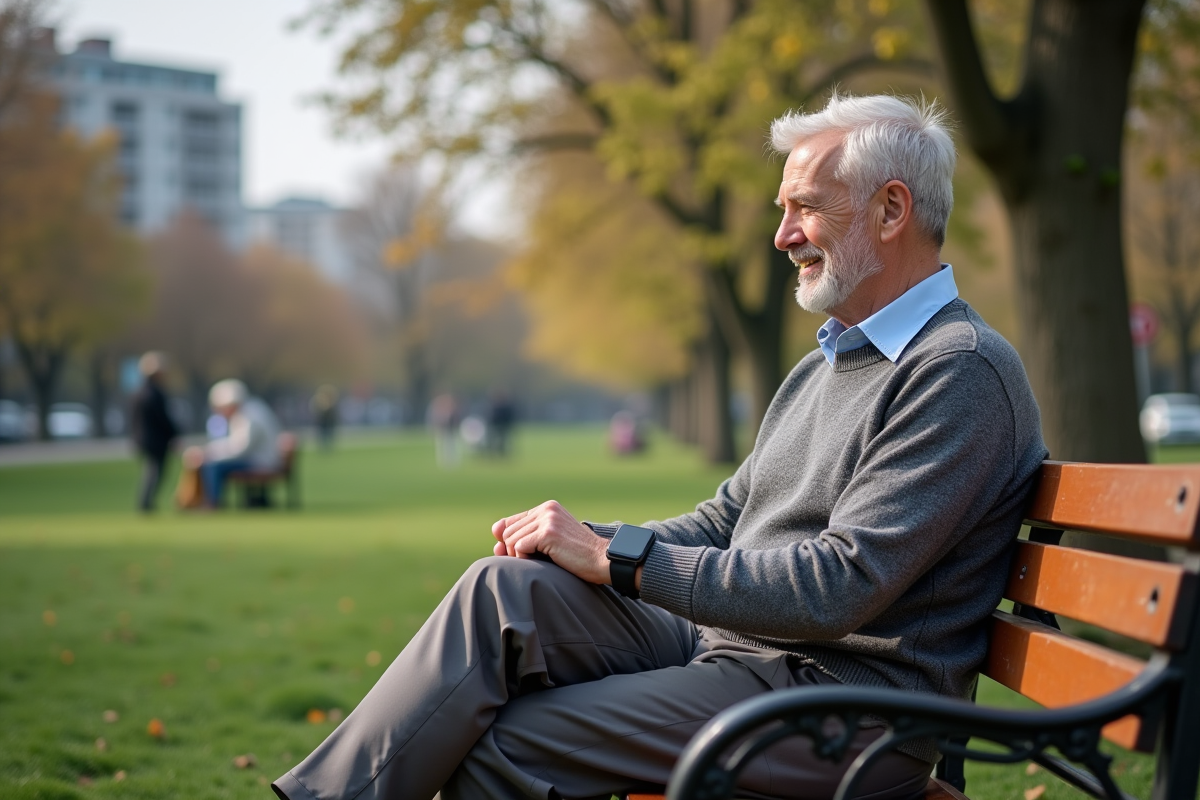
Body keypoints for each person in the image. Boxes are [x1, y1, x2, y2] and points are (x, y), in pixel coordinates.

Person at [273, 94, 1048, 800]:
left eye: (805, 208)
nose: (781, 237)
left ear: (890, 210)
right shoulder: (827, 362)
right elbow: (727, 518)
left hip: (840, 704)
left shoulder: (958, 371)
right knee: (500, 593)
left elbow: (839, 585)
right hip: (744, 651)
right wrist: (590, 541)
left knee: (511, 744)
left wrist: (625, 561)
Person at [183, 379, 282, 508]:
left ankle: (212, 503)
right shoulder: (251, 410)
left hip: (260, 461)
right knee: (213, 463)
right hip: (257, 458)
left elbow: (241, 449)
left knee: (213, 466)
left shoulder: (250, 417)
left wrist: (210, 453)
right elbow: (235, 443)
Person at [128, 352, 179, 512]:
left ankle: (146, 503)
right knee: (155, 472)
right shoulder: (154, 394)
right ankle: (146, 503)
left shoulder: (138, 392)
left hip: (143, 439)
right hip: (155, 440)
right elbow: (163, 418)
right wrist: (174, 434)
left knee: (151, 471)